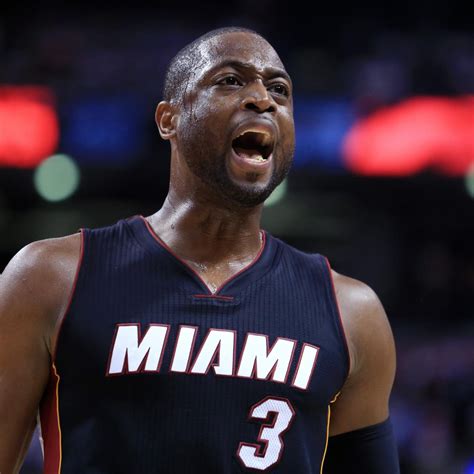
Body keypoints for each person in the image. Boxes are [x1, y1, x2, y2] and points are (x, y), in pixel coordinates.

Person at [0, 27, 399, 473]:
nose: (262, 99)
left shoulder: (352, 313)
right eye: (230, 80)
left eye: (279, 90)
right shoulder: (48, 279)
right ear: (168, 119)